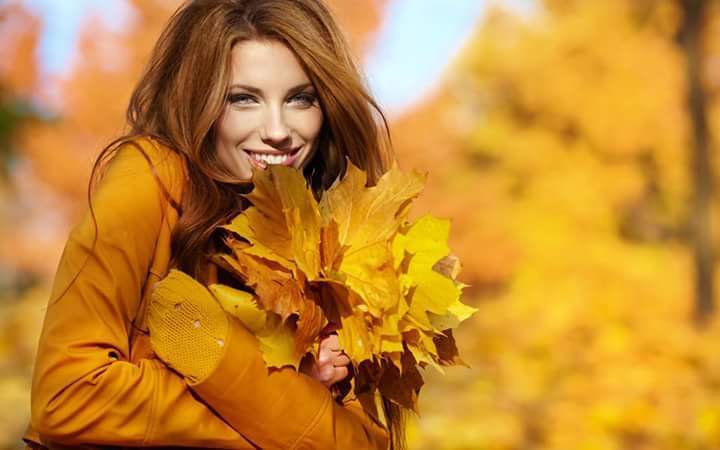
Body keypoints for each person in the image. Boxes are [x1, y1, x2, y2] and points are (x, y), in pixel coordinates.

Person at [24, 0, 404, 448]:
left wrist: (253, 375)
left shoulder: (326, 234)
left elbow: (361, 443)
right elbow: (68, 397)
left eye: (300, 98)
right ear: (198, 100)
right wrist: (274, 402)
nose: (278, 130)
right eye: (243, 99)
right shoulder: (151, 178)